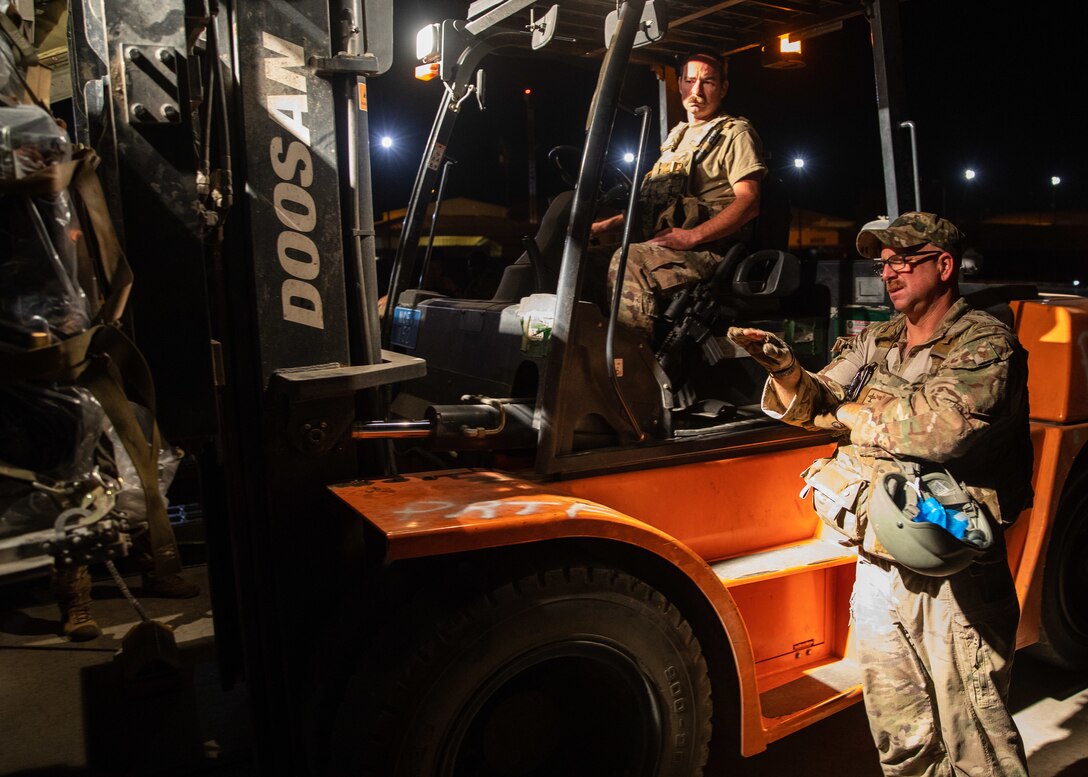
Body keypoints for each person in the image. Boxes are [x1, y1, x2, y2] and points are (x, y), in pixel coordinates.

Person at [728, 212, 1033, 776]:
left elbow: (942, 431)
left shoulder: (986, 344)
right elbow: (817, 402)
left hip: (950, 569)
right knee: (900, 732)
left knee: (975, 736)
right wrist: (787, 370)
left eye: (902, 259)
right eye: (883, 262)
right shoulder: (878, 338)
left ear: (943, 266)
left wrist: (848, 414)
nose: (888, 272)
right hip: (878, 560)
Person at [591, 51, 766, 341]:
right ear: (681, 85)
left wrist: (693, 236)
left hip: (707, 252)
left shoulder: (735, 134)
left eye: (708, 82)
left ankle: (635, 368)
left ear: (722, 88)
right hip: (669, 246)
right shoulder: (676, 138)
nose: (697, 90)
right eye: (690, 80)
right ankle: (585, 356)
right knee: (586, 261)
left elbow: (749, 202)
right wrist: (600, 227)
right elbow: (652, 206)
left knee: (629, 260)